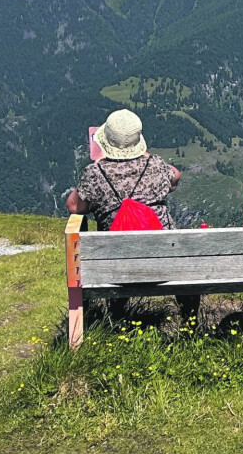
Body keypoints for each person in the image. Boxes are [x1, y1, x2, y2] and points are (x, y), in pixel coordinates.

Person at [66, 109, 200, 320]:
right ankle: (189, 320)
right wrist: (144, 156)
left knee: (117, 249)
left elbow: (74, 206)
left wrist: (100, 163)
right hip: (165, 261)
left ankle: (116, 318)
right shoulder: (155, 165)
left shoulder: (95, 173)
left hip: (116, 265)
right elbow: (175, 176)